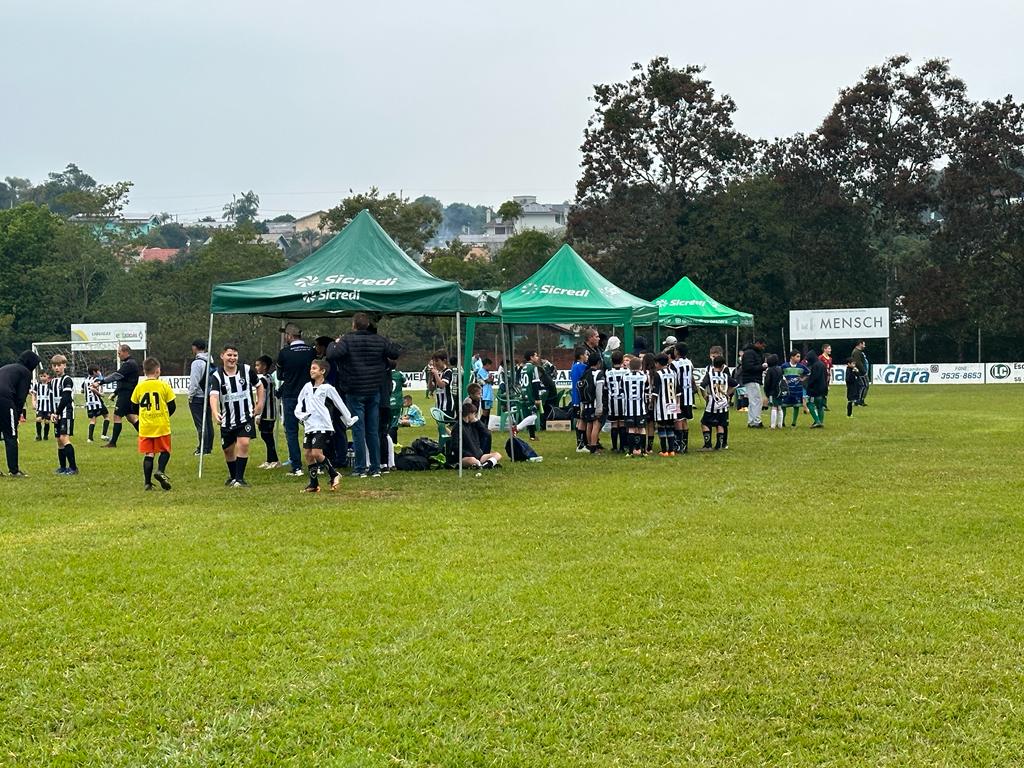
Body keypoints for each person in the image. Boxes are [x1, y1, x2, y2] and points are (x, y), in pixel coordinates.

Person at [326, 312, 400, 479]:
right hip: (374, 389)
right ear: (368, 325)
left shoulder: (347, 339)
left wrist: (334, 343)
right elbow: (394, 353)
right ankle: (375, 467)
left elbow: (331, 355)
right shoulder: (379, 340)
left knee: (358, 430)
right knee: (372, 430)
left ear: (354, 325)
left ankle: (360, 467)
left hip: (354, 389)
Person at [294, 358, 356, 492]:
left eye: (314, 368)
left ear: (322, 371)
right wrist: (300, 414)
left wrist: (349, 419)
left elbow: (340, 404)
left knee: (317, 453)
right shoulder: (307, 387)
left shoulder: (328, 388)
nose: (311, 370)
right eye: (311, 368)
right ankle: (313, 484)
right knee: (308, 454)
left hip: (322, 426)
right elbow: (299, 402)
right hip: (309, 425)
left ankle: (334, 474)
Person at [209, 344, 264, 487]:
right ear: (222, 356)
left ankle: (240, 479)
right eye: (229, 355)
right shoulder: (216, 376)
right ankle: (233, 477)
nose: (232, 358)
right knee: (228, 450)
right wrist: (215, 412)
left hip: (245, 416)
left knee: (244, 443)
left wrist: (259, 405)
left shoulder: (246, 370)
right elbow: (213, 396)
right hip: (227, 419)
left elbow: (259, 386)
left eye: (235, 355)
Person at [130, 357, 176, 491]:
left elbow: (133, 406)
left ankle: (147, 483)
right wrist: (165, 415)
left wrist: (143, 415)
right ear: (158, 371)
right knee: (165, 450)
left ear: (144, 371)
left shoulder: (140, 387)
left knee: (149, 454)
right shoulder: (163, 385)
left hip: (145, 426)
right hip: (161, 425)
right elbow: (172, 405)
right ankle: (160, 471)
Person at [277, 323, 316, 477]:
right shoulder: (311, 351)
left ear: (289, 336)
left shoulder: (284, 353)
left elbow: (280, 375)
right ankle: (317, 464)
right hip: (309, 395)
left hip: (291, 395)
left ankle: (297, 467)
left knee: (291, 431)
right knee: (314, 429)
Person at [0, 351, 41, 477]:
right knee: (11, 436)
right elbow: (20, 397)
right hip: (5, 399)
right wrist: (17, 417)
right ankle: (14, 470)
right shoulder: (25, 372)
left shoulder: (6, 367)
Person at [99, 344, 141, 448]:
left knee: (117, 416)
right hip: (128, 393)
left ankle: (112, 442)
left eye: (119, 353)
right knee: (131, 417)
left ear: (126, 352)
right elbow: (124, 381)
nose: (118, 355)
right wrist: (115, 393)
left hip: (126, 395)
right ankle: (147, 436)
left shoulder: (129, 364)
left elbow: (116, 376)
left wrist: (101, 382)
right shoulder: (130, 363)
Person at [49, 355, 79, 476]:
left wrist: (57, 412)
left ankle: (73, 468)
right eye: (54, 365)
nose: (57, 368)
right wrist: (52, 413)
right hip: (57, 413)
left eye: (59, 365)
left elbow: (66, 398)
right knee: (58, 440)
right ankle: (62, 467)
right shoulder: (52, 382)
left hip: (66, 412)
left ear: (64, 365)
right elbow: (51, 399)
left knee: (64, 438)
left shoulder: (67, 380)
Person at [699, 356, 736, 451]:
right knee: (720, 424)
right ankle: (719, 445)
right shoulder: (725, 376)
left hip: (712, 403)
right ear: (723, 365)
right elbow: (735, 385)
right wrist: (727, 394)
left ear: (713, 364)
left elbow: (702, 386)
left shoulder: (709, 375)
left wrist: (705, 396)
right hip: (723, 403)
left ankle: (707, 445)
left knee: (704, 423)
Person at [186, 339, 214, 455]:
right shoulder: (210, 360)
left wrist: (190, 396)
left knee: (200, 424)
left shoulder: (197, 363)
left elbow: (194, 382)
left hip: (198, 397)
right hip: (208, 395)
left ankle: (202, 448)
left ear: (195, 348)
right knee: (208, 422)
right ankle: (208, 447)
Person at [254, 355, 280, 469]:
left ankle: (274, 460)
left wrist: (258, 414)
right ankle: (270, 460)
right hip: (270, 412)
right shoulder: (269, 377)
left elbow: (262, 398)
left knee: (267, 437)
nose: (256, 367)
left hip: (266, 413)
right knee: (267, 437)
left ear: (264, 366)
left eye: (258, 365)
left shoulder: (263, 380)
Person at [459, 401, 501, 470]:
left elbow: (487, 434)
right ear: (469, 414)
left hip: (478, 455)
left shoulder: (474, 424)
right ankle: (484, 464)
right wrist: (468, 453)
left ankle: (486, 464)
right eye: (474, 414)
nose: (475, 416)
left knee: (497, 455)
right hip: (467, 456)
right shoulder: (459, 427)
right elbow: (456, 446)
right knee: (472, 460)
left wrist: (478, 422)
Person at [621, 356, 650, 456]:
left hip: (628, 408)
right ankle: (643, 451)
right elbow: (647, 390)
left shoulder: (624, 377)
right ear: (641, 366)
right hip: (641, 408)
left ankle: (630, 452)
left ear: (629, 366)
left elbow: (622, 390)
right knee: (642, 429)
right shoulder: (644, 377)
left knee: (631, 429)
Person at [651, 353, 679, 456]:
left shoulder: (658, 374)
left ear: (658, 363)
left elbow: (655, 392)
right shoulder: (674, 373)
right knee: (671, 427)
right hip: (673, 403)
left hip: (662, 405)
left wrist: (651, 403)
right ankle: (671, 450)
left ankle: (664, 451)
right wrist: (678, 405)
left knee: (662, 427)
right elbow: (678, 391)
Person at [578, 352, 605, 453]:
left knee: (589, 424)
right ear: (599, 362)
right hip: (594, 403)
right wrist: (599, 408)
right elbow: (599, 392)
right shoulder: (598, 373)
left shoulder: (585, 373)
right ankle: (594, 447)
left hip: (586, 404)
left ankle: (589, 445)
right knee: (596, 425)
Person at [672, 342, 696, 454]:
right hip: (688, 395)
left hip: (679, 396)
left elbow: (673, 379)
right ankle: (685, 445)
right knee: (685, 420)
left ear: (677, 351)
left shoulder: (674, 364)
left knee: (678, 419)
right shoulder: (689, 362)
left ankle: (678, 445)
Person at [739, 338, 767, 428]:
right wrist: (762, 367)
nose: (763, 348)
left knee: (752, 401)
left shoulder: (749, 352)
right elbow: (748, 367)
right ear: (758, 343)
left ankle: (751, 421)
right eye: (762, 345)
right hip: (752, 379)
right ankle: (756, 421)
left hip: (751, 379)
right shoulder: (751, 353)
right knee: (757, 400)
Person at [604, 349, 626, 453]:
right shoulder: (626, 372)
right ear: (622, 361)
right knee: (622, 423)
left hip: (612, 401)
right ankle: (622, 447)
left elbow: (606, 386)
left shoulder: (608, 373)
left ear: (612, 361)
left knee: (614, 424)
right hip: (623, 401)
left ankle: (614, 447)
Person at [780, 350, 809, 427]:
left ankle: (794, 422)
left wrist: (803, 378)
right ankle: (782, 421)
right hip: (787, 390)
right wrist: (783, 380)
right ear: (792, 357)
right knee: (784, 406)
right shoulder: (784, 366)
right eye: (797, 356)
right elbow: (779, 374)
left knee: (796, 406)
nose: (799, 358)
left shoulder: (801, 366)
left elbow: (808, 373)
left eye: (799, 356)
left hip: (797, 390)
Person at [518, 350, 543, 441]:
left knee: (530, 415)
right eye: (536, 356)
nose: (537, 358)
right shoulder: (533, 368)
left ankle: (532, 436)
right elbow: (535, 383)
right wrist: (537, 398)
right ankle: (517, 428)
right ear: (531, 357)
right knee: (534, 415)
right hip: (530, 394)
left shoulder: (523, 368)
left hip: (524, 394)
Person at [83, 365, 110, 442]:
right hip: (97, 402)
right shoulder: (96, 379)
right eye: (97, 371)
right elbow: (92, 388)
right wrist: (100, 394)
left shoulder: (85, 380)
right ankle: (104, 435)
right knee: (106, 416)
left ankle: (90, 438)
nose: (99, 372)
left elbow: (83, 390)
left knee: (92, 420)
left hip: (89, 403)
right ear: (94, 372)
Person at [569, 347, 588, 452]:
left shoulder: (574, 366)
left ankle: (580, 443)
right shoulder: (581, 367)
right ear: (581, 356)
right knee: (582, 421)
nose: (587, 356)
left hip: (576, 398)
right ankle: (581, 445)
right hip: (580, 398)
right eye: (586, 354)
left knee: (579, 421)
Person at [429, 350, 457, 421]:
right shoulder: (438, 373)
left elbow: (442, 385)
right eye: (434, 361)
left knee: (447, 426)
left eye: (437, 361)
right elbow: (431, 388)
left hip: (448, 405)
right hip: (439, 405)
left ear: (444, 360)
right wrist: (430, 377)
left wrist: (435, 374)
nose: (435, 363)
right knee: (440, 426)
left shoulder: (448, 372)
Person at [804, 350, 828, 428]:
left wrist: (808, 386)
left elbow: (813, 379)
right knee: (820, 406)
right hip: (823, 388)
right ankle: (821, 421)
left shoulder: (815, 366)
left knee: (810, 404)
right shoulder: (822, 364)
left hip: (814, 390)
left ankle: (817, 421)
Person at [763, 354, 785, 429]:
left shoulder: (770, 370)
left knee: (773, 407)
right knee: (779, 407)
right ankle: (780, 425)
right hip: (780, 391)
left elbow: (767, 382)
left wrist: (766, 391)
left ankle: (772, 426)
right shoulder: (780, 369)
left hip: (772, 392)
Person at [472, 356, 495, 425]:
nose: (490, 367)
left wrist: (491, 379)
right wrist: (490, 378)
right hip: (485, 395)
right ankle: (480, 426)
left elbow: (491, 382)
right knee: (485, 412)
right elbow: (487, 380)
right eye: (490, 365)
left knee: (488, 412)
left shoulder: (487, 372)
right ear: (487, 364)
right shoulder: (481, 371)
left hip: (489, 395)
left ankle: (486, 426)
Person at [33, 371, 52, 441]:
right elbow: (34, 394)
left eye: (44, 376)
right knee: (38, 419)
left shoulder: (51, 385)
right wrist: (34, 402)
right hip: (40, 406)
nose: (42, 378)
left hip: (48, 406)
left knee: (47, 421)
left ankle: (46, 435)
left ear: (48, 376)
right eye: (41, 376)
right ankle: (38, 435)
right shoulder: (37, 385)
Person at [851, 340, 870, 406]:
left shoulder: (858, 352)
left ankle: (859, 400)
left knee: (863, 386)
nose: (864, 346)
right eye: (863, 344)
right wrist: (863, 371)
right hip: (861, 372)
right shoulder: (856, 352)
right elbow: (858, 363)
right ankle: (860, 400)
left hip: (861, 372)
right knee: (865, 385)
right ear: (860, 344)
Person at [819, 343, 834, 410]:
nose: (830, 350)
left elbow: (830, 368)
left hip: (827, 377)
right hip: (822, 376)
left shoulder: (830, 358)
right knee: (821, 390)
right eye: (829, 348)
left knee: (826, 391)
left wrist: (830, 376)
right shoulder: (820, 358)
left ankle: (824, 405)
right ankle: (820, 405)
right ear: (825, 349)